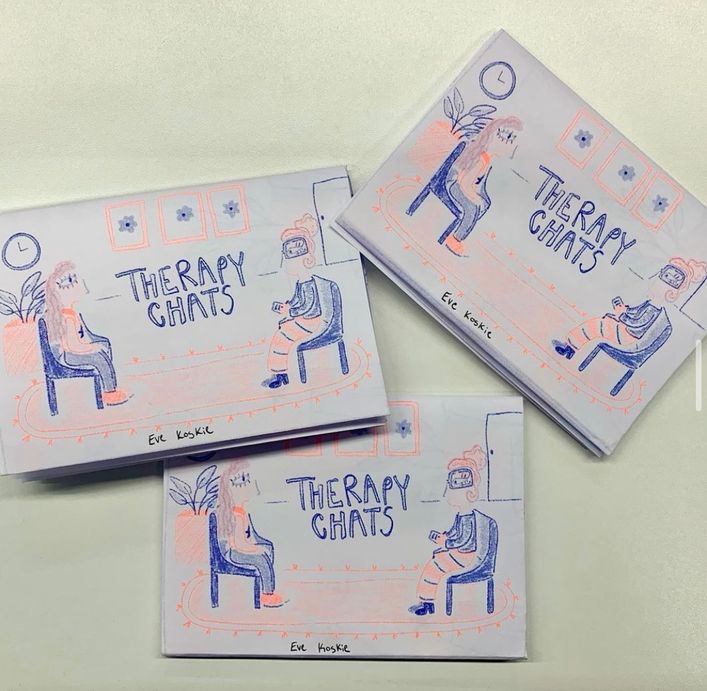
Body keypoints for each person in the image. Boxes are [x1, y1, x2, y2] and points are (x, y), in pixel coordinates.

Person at [408, 116, 523, 257]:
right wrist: (475, 199)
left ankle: (463, 224)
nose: (512, 146)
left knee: (483, 203)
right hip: (453, 184)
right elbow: (464, 182)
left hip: (462, 184)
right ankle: (455, 240)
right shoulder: (481, 158)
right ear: (495, 136)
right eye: (508, 139)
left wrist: (480, 198)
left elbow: (477, 184)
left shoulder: (488, 161)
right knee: (472, 209)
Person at [550, 259, 703, 360]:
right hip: (625, 331)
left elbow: (636, 323)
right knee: (600, 323)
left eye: (663, 281)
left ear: (671, 293)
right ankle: (570, 348)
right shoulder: (649, 304)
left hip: (627, 336)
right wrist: (624, 310)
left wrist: (622, 315)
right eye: (662, 277)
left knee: (596, 325)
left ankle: (570, 347)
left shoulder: (653, 309)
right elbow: (634, 313)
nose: (655, 283)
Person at [409, 445, 494, 616]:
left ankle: (427, 603)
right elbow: (455, 533)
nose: (448, 495)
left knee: (434, 567)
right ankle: (426, 601)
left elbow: (464, 540)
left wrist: (446, 542)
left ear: (469, 493)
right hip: (460, 554)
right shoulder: (461, 516)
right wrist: (445, 537)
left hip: (465, 556)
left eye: (453, 492)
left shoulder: (468, 517)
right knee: (435, 560)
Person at [261, 213, 337, 389]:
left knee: (281, 337)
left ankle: (279, 374)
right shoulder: (301, 283)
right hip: (305, 320)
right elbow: (297, 300)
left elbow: (308, 307)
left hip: (311, 322)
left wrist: (291, 312)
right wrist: (288, 306)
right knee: (282, 330)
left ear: (306, 259)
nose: (287, 263)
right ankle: (280, 373)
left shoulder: (308, 283)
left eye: (290, 260)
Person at [44, 261, 129, 406]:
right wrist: (91, 348)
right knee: (99, 358)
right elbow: (73, 345)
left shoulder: (72, 313)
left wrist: (97, 344)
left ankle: (108, 386)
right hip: (69, 356)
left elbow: (84, 336)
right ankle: (110, 393)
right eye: (75, 281)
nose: (81, 285)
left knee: (102, 348)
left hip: (73, 351)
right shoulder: (67, 317)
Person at [215, 458, 284, 608]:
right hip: (232, 552)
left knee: (267, 549)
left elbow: (251, 536)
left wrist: (262, 545)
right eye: (243, 481)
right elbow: (238, 544)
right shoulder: (235, 516)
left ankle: (264, 583)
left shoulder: (243, 512)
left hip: (240, 548)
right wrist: (256, 549)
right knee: (261, 559)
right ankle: (267, 594)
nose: (250, 485)